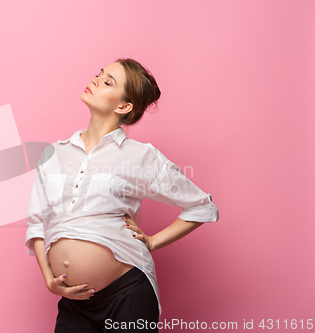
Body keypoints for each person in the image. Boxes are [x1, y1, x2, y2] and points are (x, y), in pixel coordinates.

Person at [25, 58, 220, 333]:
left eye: (108, 82)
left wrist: (151, 241)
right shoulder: (53, 154)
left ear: (123, 107)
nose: (95, 80)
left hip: (127, 294)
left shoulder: (139, 156)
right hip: (74, 303)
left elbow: (202, 207)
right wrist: (48, 277)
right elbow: (36, 222)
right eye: (99, 74)